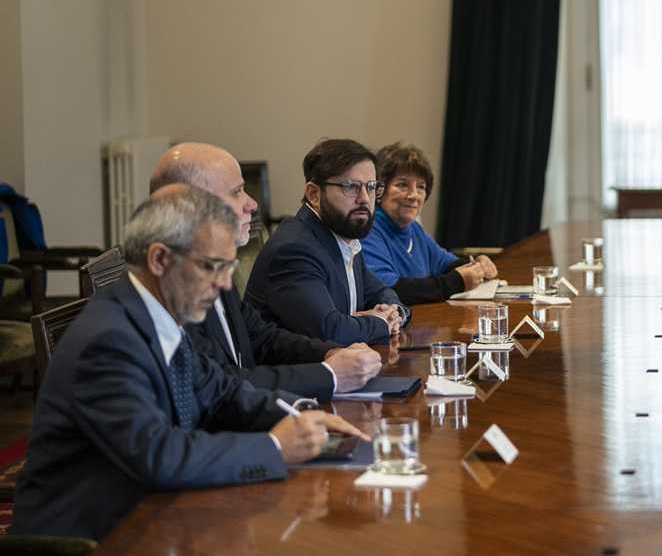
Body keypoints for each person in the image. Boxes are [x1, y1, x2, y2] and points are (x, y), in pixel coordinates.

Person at [11, 186, 367, 541]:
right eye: (214, 266)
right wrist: (274, 447)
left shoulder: (158, 314)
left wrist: (298, 414)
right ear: (160, 260)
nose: (226, 283)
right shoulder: (108, 340)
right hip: (91, 547)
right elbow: (159, 456)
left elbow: (222, 392)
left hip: (154, 519)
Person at [150, 143, 381, 401]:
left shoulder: (212, 270)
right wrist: (330, 374)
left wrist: (331, 354)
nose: (252, 204)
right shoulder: (170, 290)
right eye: (237, 192)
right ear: (190, 206)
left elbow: (262, 338)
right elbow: (220, 383)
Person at [245, 138, 409, 345]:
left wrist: (395, 312)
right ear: (314, 194)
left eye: (371, 187)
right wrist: (381, 323)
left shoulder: (344, 237)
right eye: (350, 187)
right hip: (301, 373)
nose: (365, 199)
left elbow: (381, 292)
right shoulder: (294, 249)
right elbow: (331, 331)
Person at [361, 142, 497, 304]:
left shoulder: (414, 230)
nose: (414, 195)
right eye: (402, 185)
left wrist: (478, 264)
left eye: (421, 187)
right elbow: (390, 291)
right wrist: (457, 282)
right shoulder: (368, 230)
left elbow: (449, 265)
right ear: (379, 190)